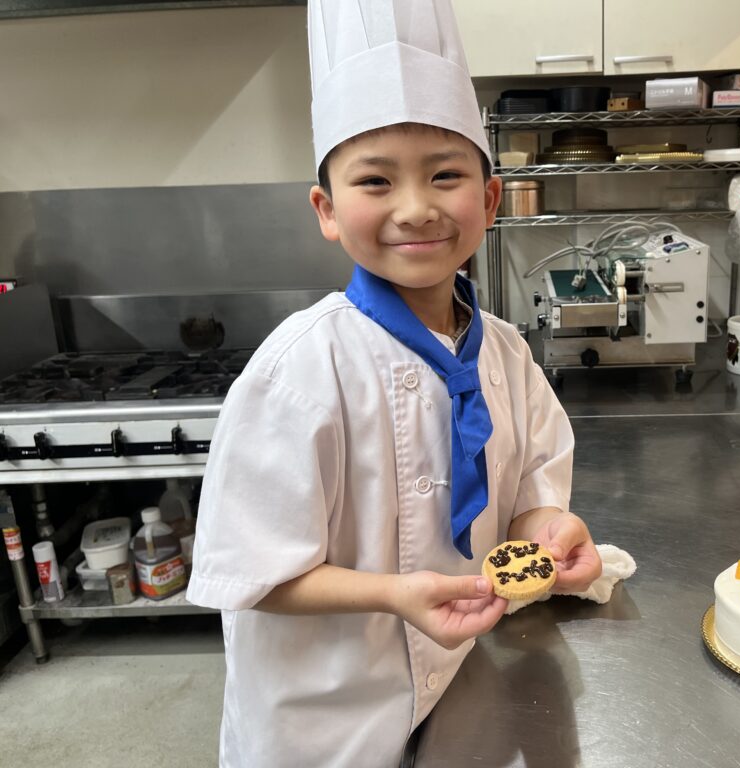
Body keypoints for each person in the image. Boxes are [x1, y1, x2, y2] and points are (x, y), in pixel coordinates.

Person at [186, 1, 602, 765]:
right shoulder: (299, 369)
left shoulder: (507, 353)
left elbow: (530, 494)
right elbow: (251, 573)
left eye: (446, 175)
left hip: (459, 680)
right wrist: (394, 593)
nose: (415, 209)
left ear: (490, 199)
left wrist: (548, 530)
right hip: (323, 718)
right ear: (327, 210)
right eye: (375, 180)